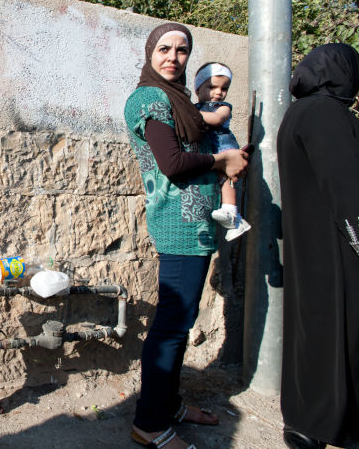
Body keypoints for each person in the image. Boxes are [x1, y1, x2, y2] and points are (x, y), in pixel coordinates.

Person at [123, 23, 248, 448]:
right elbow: (173, 163)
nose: (172, 57)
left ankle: (169, 405)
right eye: (163, 49)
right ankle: (149, 424)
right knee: (172, 325)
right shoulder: (149, 98)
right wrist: (222, 159)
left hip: (195, 226)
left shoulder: (178, 101)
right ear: (149, 52)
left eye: (181, 50)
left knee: (183, 320)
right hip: (176, 225)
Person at [277, 43, 359, 449]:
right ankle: (342, 425)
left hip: (316, 246)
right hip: (341, 251)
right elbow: (346, 187)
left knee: (316, 333)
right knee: (349, 335)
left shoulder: (303, 113)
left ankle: (309, 422)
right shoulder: (323, 114)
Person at [194, 62, 251, 241]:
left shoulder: (223, 107)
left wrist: (189, 114)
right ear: (198, 89)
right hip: (209, 149)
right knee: (218, 180)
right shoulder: (195, 108)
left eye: (224, 88)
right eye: (212, 87)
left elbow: (217, 119)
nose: (218, 92)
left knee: (226, 178)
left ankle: (232, 211)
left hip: (223, 146)